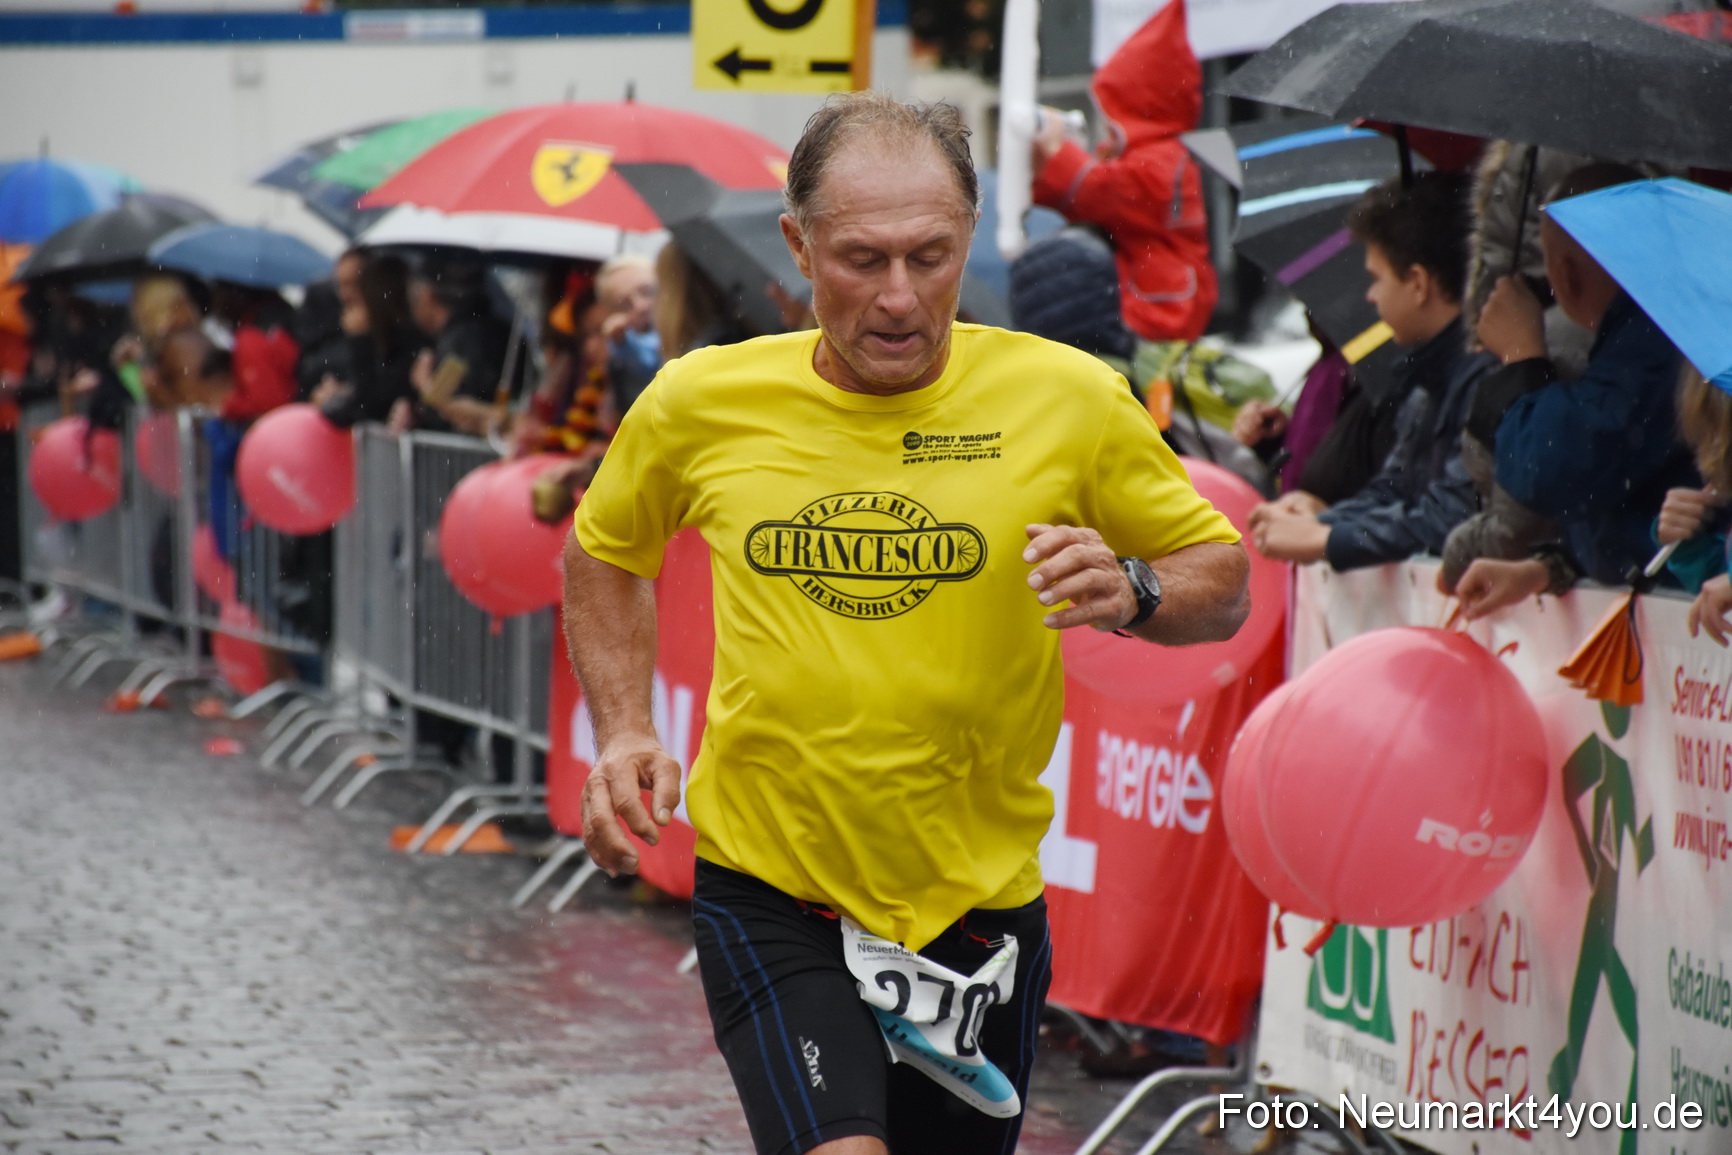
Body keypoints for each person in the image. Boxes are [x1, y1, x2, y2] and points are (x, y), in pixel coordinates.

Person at [563, 92, 1249, 1155]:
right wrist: (623, 730)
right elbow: (604, 550)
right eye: (861, 259)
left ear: (970, 236)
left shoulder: (1065, 398)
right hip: (776, 888)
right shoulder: (702, 399)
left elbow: (1224, 576)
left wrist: (1137, 589)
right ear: (796, 245)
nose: (897, 297)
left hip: (973, 908)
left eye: (929, 258)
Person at [1448, 165, 1699, 619]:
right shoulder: (1650, 325)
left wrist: (1523, 359)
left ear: (1562, 271)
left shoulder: (1658, 335)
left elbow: (1563, 468)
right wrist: (1549, 568)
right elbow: (1623, 497)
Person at [1248, 173, 1494, 570]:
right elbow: (1394, 490)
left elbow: (1450, 516)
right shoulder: (1426, 378)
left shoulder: (1480, 374)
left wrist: (1325, 536)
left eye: (1377, 278)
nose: (1370, 295)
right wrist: (1322, 519)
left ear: (1417, 283)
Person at [1030, 0, 1216, 343]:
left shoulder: (1160, 160)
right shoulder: (1165, 154)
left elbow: (1098, 192)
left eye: (1113, 117)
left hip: (1162, 314)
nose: (1106, 132)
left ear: (1142, 108)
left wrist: (1052, 150)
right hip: (1161, 305)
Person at [401, 260, 519, 436]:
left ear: (427, 295)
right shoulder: (498, 326)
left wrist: (425, 387)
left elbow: (454, 411)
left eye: (412, 302)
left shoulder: (457, 341)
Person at [594, 254, 661, 416]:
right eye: (625, 304)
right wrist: (621, 341)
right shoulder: (622, 345)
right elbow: (646, 360)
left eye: (647, 291)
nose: (640, 306)